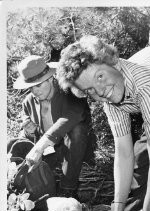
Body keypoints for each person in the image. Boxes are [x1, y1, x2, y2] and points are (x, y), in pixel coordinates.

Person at [56, 35, 150, 211]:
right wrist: (117, 205)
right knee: (141, 166)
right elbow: (124, 153)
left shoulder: (145, 86)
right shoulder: (111, 97)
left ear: (112, 62)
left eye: (100, 76)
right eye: (89, 90)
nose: (100, 91)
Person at [9, 55, 95, 198]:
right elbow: (25, 121)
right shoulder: (28, 102)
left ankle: (68, 188)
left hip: (73, 151)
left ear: (50, 78)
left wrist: (39, 146)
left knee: (77, 130)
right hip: (48, 154)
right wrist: (28, 129)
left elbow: (71, 117)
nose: (35, 91)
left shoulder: (71, 92)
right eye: (30, 88)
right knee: (12, 144)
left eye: (38, 85)